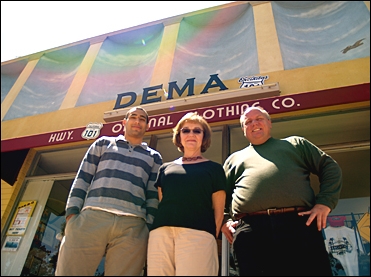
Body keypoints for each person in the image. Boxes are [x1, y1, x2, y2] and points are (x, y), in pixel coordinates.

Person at [221, 106, 343, 276]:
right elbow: (220, 195)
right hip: (250, 231)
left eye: (259, 119)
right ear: (243, 129)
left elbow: (329, 167)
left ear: (269, 123)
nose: (254, 123)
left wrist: (325, 202)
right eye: (248, 122)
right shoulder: (233, 159)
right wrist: (224, 220)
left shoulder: (295, 144)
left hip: (298, 225)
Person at [55, 106, 163, 276]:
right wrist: (72, 215)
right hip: (91, 219)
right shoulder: (103, 143)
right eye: (133, 117)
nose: (137, 121)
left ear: (147, 126)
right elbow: (83, 178)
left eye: (142, 119)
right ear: (124, 122)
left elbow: (152, 195)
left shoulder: (154, 157)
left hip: (133, 226)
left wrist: (147, 226)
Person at [147, 112, 227, 276]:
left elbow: (219, 211)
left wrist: (211, 235)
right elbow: (164, 201)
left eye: (197, 131)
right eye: (186, 130)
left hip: (198, 234)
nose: (191, 134)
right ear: (179, 136)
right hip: (161, 234)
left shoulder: (214, 168)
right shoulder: (165, 168)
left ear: (204, 137)